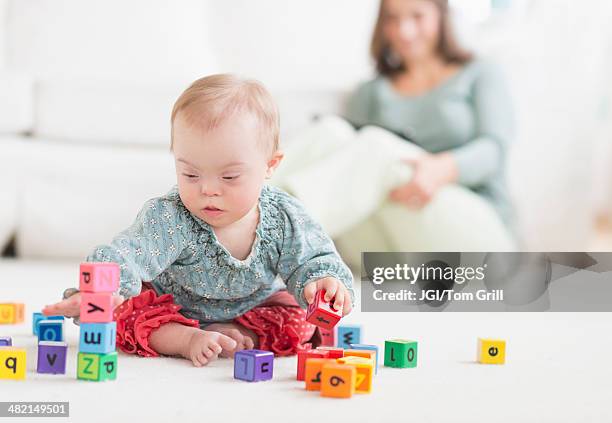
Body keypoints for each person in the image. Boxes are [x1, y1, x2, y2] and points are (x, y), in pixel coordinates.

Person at [42, 74, 355, 367]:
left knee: (298, 322)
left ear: (270, 165)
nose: (207, 189)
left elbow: (312, 258)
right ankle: (184, 338)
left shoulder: (285, 217)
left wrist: (322, 282)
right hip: (175, 308)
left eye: (229, 176)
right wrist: (103, 291)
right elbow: (128, 252)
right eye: (190, 174)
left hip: (253, 308)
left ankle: (234, 331)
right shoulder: (171, 215)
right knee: (127, 313)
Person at [272, 0, 517, 266]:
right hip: (395, 245)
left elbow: (494, 150)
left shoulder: (479, 72)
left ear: (441, 15)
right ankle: (243, 209)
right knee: (332, 132)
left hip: (474, 228)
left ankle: (267, 238)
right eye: (393, 19)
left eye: (417, 16)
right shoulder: (371, 92)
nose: (404, 31)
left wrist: (442, 168)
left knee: (378, 147)